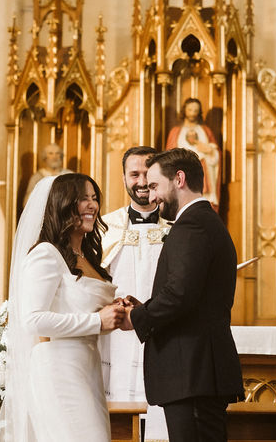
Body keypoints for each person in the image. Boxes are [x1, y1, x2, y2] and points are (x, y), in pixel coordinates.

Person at [0, 173, 127, 442]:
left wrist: (117, 309)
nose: (92, 205)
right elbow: (32, 319)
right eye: (82, 199)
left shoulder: (85, 256)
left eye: (94, 198)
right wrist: (97, 321)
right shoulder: (45, 254)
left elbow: (79, 305)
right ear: (63, 204)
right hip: (58, 369)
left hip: (87, 366)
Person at [121, 148, 243, 442]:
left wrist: (136, 317)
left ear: (179, 179)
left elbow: (180, 294)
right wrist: (145, 307)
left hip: (192, 373)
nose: (151, 197)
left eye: (154, 186)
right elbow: (190, 293)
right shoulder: (203, 220)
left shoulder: (193, 224)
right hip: (195, 373)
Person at [101, 146, 170, 441]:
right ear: (124, 178)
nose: (142, 182)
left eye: (147, 174)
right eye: (134, 174)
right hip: (115, 338)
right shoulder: (106, 227)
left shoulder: (178, 227)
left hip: (162, 335)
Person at [165, 98, 221, 208]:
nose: (193, 113)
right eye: (190, 110)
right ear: (184, 110)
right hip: (182, 173)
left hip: (204, 173)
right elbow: (168, 156)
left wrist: (211, 151)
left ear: (199, 112)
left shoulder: (205, 131)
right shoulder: (176, 132)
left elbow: (215, 153)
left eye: (196, 110)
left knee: (204, 204)